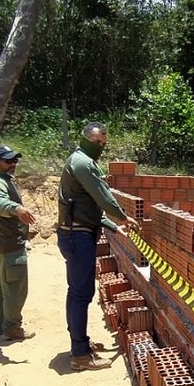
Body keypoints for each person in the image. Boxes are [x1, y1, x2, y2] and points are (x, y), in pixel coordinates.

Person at [57, 122, 140, 371]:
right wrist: (122, 216)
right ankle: (80, 355)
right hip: (77, 236)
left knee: (77, 291)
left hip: (76, 232)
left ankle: (79, 343)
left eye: (103, 143)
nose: (100, 146)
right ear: (85, 139)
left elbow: (89, 209)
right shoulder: (82, 163)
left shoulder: (81, 160)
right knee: (82, 294)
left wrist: (115, 228)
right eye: (97, 142)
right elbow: (102, 195)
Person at [0, 143, 38, 341]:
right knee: (15, 289)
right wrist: (17, 208)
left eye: (14, 160)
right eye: (8, 161)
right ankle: (12, 328)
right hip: (10, 247)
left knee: (0, 287)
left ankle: (1, 325)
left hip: (0, 245)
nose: (13, 164)